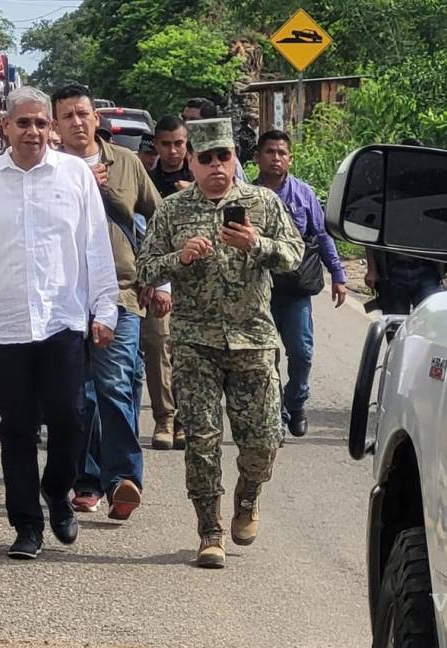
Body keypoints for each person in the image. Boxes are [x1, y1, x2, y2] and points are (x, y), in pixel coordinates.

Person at [0, 86, 119, 560]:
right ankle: (26, 525)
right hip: (4, 325)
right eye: (23, 123)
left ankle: (57, 490)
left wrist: (105, 308)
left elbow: (95, 247)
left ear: (53, 129)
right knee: (17, 427)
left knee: (71, 416)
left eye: (42, 123)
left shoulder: (75, 177)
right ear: (5, 128)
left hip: (63, 318)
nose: (33, 132)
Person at [137, 118, 303, 569]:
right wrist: (179, 257)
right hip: (195, 344)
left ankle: (248, 497)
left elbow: (294, 255)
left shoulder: (262, 203)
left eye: (223, 157)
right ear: (190, 160)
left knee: (263, 440)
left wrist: (257, 244)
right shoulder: (173, 210)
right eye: (205, 158)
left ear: (235, 160)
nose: (215, 166)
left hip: (253, 341)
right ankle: (209, 531)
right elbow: (145, 268)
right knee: (203, 442)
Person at [50, 82, 162, 519]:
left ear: (97, 119)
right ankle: (87, 480)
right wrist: (75, 188)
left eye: (84, 113)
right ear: (56, 125)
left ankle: (124, 480)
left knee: (115, 386)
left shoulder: (128, 164)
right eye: (68, 116)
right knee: (78, 397)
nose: (77, 122)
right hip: (64, 297)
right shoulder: (49, 168)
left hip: (120, 291)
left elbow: (159, 219)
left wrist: (160, 280)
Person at [253, 130, 347, 439]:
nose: (276, 158)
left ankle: (297, 403)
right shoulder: (245, 194)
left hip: (295, 288)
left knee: (301, 352)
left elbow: (322, 235)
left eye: (282, 152)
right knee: (266, 356)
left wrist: (339, 276)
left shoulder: (303, 194)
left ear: (290, 159)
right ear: (257, 157)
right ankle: (276, 413)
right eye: (270, 152)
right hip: (257, 289)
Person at [141, 114, 193, 451]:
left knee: (189, 354)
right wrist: (154, 282)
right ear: (156, 145)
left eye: (179, 144)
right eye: (166, 144)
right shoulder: (147, 182)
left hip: (200, 284)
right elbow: (141, 236)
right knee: (158, 345)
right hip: (159, 279)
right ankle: (165, 418)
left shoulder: (205, 175)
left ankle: (187, 421)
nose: (173, 151)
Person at [363, 138, 447, 315]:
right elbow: (370, 231)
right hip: (392, 272)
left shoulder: (434, 192)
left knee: (430, 325)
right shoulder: (385, 191)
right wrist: (372, 269)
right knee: (394, 329)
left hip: (428, 270)